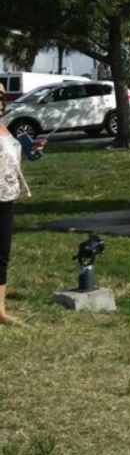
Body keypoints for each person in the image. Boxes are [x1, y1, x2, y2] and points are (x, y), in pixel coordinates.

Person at [0, 117, 46, 325]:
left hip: (6, 196)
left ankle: (0, 311)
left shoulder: (4, 128)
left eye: (2, 98)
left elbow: (9, 160)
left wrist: (29, 152)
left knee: (2, 255)